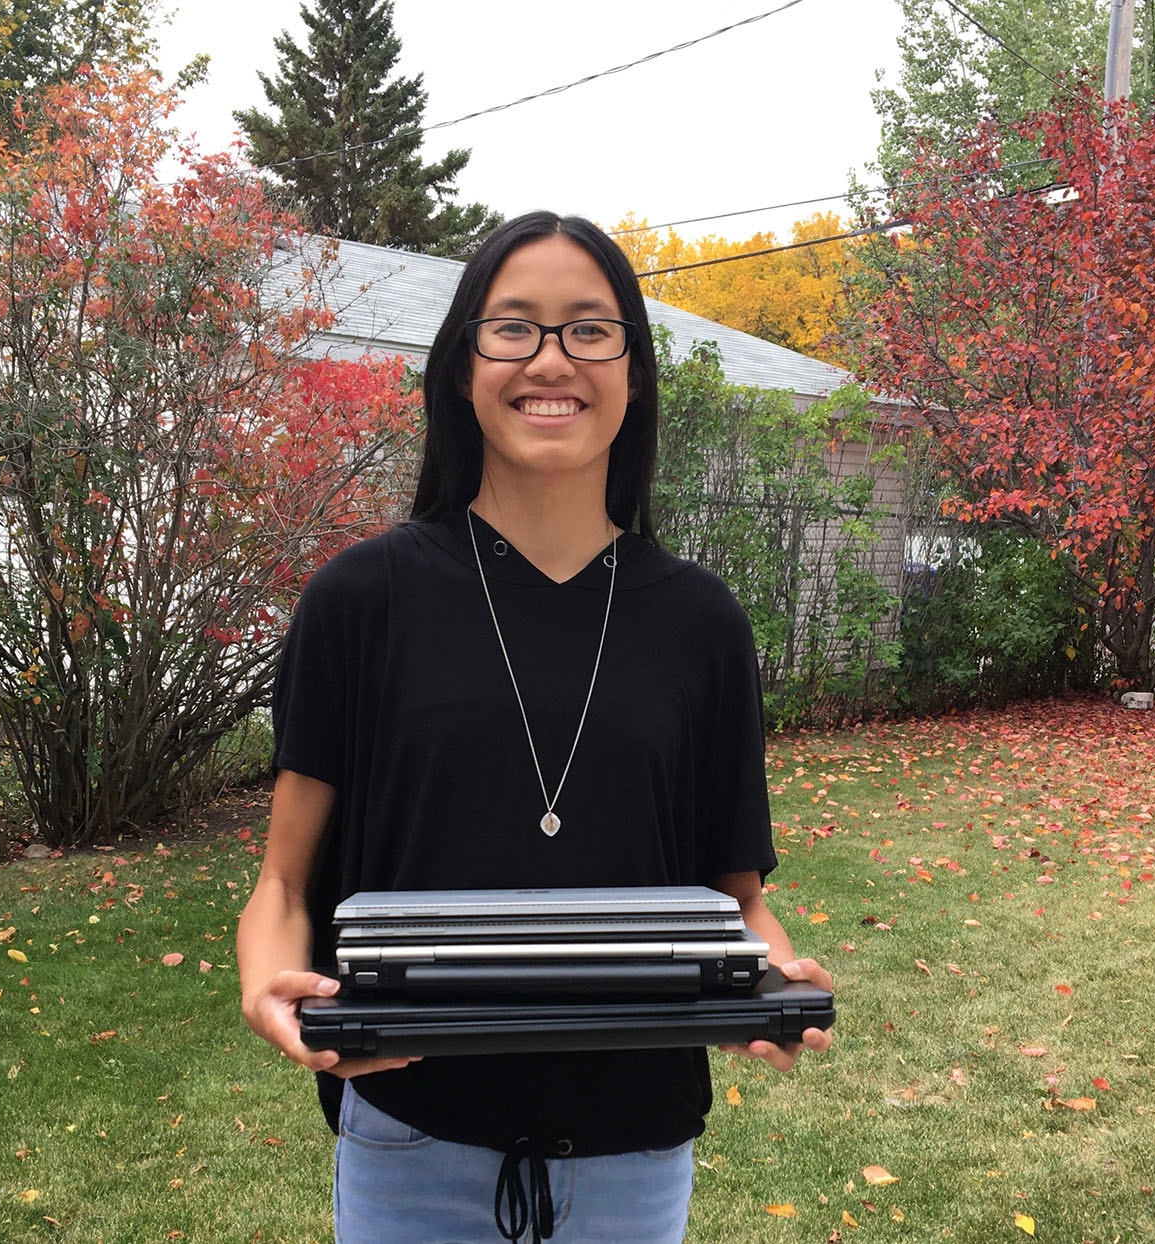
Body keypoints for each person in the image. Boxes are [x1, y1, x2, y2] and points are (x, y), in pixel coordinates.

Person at [237, 211, 832, 1244]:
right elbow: (284, 884)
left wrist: (770, 981)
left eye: (587, 329)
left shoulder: (701, 623)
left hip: (634, 1154)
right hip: (408, 1140)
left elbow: (738, 901)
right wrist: (267, 987)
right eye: (511, 327)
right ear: (461, 365)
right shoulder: (360, 599)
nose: (549, 359)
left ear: (634, 372)